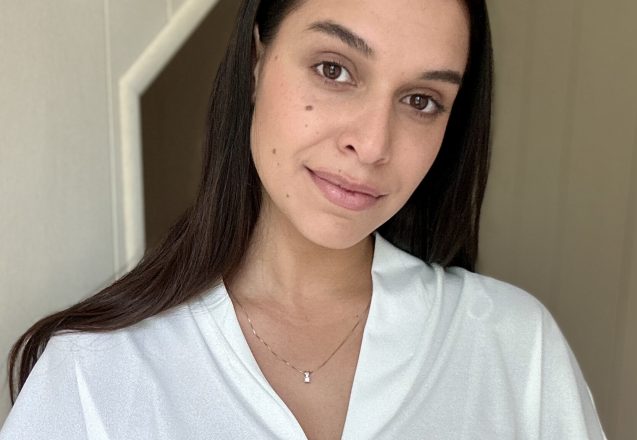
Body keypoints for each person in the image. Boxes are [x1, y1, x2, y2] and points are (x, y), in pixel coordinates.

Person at [1, 0, 607, 439]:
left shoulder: (515, 349)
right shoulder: (94, 371)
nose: (373, 145)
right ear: (257, 61)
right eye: (334, 69)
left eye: (421, 100)